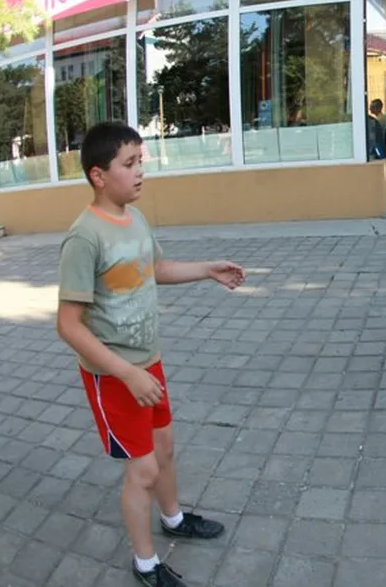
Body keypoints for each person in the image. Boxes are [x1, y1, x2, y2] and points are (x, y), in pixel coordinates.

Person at [56, 123, 246, 587]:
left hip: (148, 362)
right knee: (142, 471)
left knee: (165, 449)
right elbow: (68, 324)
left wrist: (207, 269)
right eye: (129, 164)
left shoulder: (135, 218)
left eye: (140, 161)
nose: (140, 171)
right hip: (114, 376)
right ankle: (145, 564)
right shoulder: (84, 237)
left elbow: (155, 268)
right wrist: (127, 374)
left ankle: (174, 518)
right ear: (99, 175)